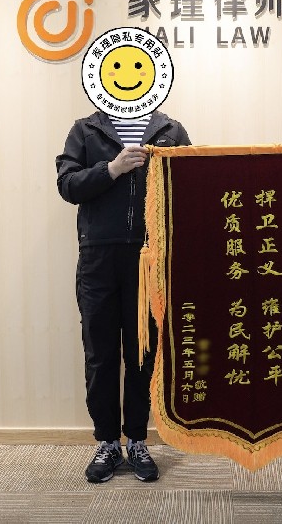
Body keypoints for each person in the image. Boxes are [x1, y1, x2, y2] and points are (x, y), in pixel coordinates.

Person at [56, 108, 191, 483]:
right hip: (97, 257)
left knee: (142, 354)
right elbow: (67, 185)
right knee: (99, 355)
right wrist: (112, 169)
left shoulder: (170, 130)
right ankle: (107, 443)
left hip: (148, 258)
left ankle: (137, 440)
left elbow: (190, 185)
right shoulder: (85, 129)